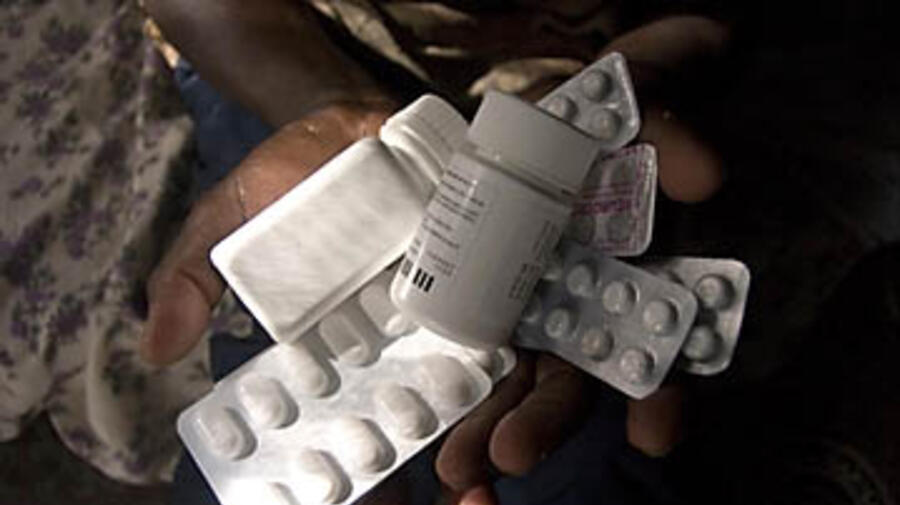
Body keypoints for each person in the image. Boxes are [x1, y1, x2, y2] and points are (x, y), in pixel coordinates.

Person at [141, 2, 730, 503]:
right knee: (239, 469)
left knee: (578, 466)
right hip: (295, 55)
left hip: (545, 84)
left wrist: (650, 58)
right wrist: (333, 105)